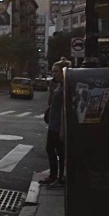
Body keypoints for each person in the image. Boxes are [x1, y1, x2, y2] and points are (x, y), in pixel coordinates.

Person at [39, 57, 71, 187]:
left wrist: (63, 129)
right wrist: (51, 91)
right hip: (53, 124)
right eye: (52, 72)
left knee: (58, 152)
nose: (53, 74)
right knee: (51, 150)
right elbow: (50, 104)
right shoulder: (58, 87)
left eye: (56, 71)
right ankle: (54, 176)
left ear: (63, 72)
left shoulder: (66, 88)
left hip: (59, 126)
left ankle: (58, 177)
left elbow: (65, 110)